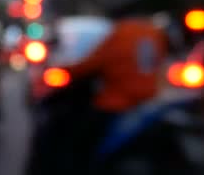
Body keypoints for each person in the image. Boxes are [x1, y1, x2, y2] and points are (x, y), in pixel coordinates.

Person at [61, 16, 168, 168]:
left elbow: (94, 62)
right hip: (148, 101)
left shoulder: (120, 34)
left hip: (118, 104)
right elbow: (160, 62)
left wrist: (66, 70)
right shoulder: (154, 33)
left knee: (80, 142)